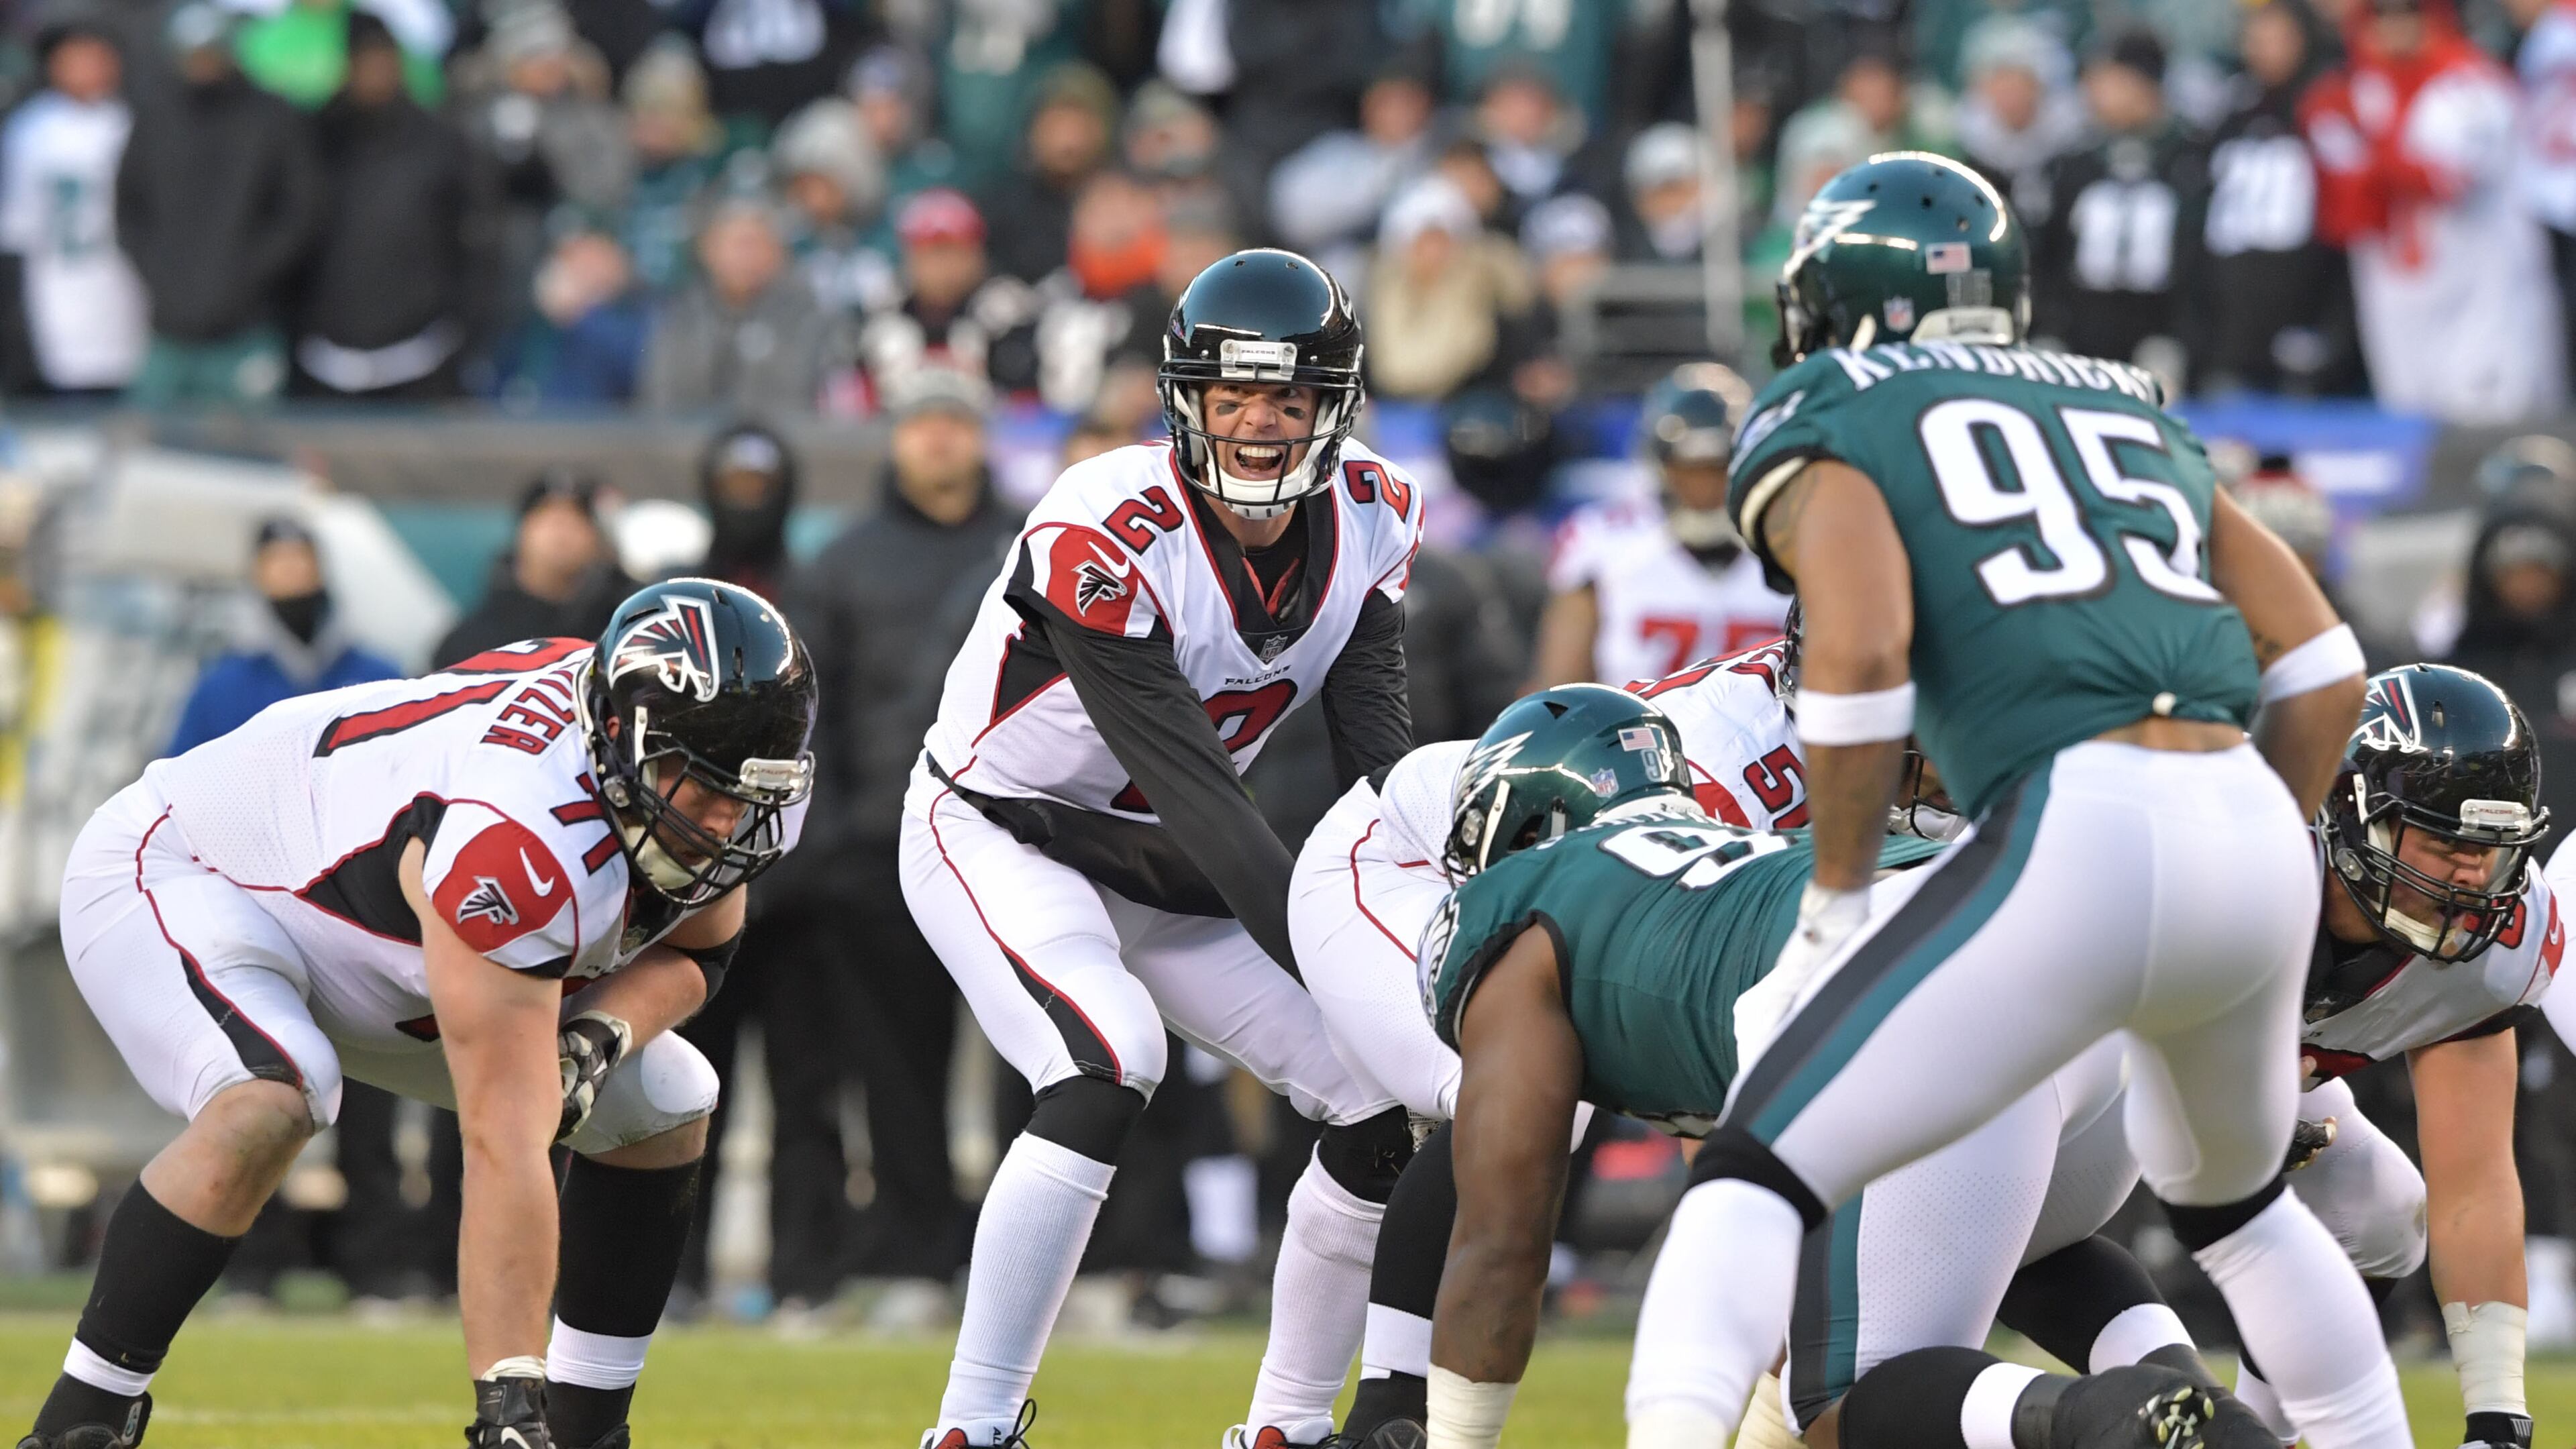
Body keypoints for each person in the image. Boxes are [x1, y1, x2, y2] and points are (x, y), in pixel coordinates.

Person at [1428, 151, 2407, 1448]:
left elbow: (1865, 650)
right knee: (2243, 1221)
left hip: (2066, 836)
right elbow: (2327, 661)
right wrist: (2249, 853)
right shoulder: (2119, 399)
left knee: (1752, 1184)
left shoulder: (1834, 407)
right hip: (2242, 829)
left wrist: (1836, 901)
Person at [23, 579, 816, 1449]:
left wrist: (601, 1035)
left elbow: (700, 947)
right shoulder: (517, 836)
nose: (721, 820)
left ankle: (590, 1431)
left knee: (663, 1102)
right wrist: (507, 1398)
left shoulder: (722, 784)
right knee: (276, 1096)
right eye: (696, 789)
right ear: (622, 739)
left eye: (743, 795)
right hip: (193, 870)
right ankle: (83, 1420)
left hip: (378, 933)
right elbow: (503, 1141)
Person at [1397, 687, 2266, 1449]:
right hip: (2101, 992)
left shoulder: (1522, 916)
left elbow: (1502, 1242)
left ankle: (2107, 1418)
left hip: (1933, 992)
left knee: (1850, 1407)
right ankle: (2197, 1406)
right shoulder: (1732, 866)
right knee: (2025, 1247)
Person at [901, 250, 1419, 1449]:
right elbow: (1196, 786)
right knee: (1105, 1058)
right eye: (1234, 395)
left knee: (1380, 1099)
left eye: (1287, 397)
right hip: (1000, 829)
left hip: (1154, 862)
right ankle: (970, 1430)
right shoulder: (1106, 518)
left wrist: (1423, 921)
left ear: (1331, 403)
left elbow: (1378, 758)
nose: (1256, 423)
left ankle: (1285, 1428)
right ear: (1186, 397)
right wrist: (1362, 962)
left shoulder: (1376, 515)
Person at [2216, 664, 2558, 1448]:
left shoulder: (2491, 947)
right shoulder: (2235, 853)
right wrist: (2224, 1098)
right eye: (2444, 841)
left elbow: (2474, 1181)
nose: (2473, 876)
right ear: (2350, 810)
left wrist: (2498, 1417)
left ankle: (2248, 1435)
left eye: (2494, 847)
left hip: (2226, 1087)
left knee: (2380, 1213)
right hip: (2071, 1066)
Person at [786, 367, 1020, 1326]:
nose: (937, 441)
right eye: (921, 423)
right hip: (887, 856)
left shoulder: (1033, 547)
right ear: (895, 439)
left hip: (1020, 850)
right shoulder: (843, 563)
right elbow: (810, 715)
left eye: (954, 424)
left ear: (980, 439)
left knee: (1040, 1068)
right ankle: (918, 1260)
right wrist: (837, 836)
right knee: (897, 1069)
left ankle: (1031, 1268)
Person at [2304, 0, 2565, 423]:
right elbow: (2344, 217)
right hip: (2398, 301)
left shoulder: (2474, 84)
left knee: (2494, 431)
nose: (2393, 26)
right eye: (2380, 15)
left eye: (2406, 12)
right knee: (2410, 443)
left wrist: (2366, 144)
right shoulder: (2357, 90)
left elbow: (2448, 180)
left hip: (2483, 302)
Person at [1531, 364, 1789, 690]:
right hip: (1636, 736)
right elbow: (1559, 688)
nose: (1704, 487)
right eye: (1689, 469)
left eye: (1717, 468)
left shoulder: (1789, 543)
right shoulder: (1605, 543)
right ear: (1661, 466)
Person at [116, 3, 321, 408]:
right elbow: (129, 210)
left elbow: (300, 212)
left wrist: (248, 277)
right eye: (192, 54)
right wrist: (164, 278)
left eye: (211, 52)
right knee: (149, 453)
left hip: (247, 328)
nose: (202, 64)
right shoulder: (156, 117)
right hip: (170, 329)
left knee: (250, 458)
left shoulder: (271, 117)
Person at [291, 13, 494, 400]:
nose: (377, 73)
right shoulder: (315, 141)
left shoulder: (442, 144)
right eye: (365, 62)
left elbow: (478, 243)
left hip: (419, 360)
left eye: (385, 60)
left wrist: (462, 334)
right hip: (325, 363)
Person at [2198, 0, 2357, 395]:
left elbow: (2346, 227)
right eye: (2255, 39)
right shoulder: (2232, 111)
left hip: (2308, 309)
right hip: (2236, 317)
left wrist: (2334, 328)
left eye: (2277, 38)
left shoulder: (2327, 106)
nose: (2264, 50)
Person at [2031, 30, 2203, 374]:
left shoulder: (2190, 158)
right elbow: (2048, 255)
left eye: (2107, 79)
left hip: (2160, 334)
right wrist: (2050, 328)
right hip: (2080, 335)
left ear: (2142, 83)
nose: (2092, 91)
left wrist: (2188, 339)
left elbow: (2200, 264)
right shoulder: (2073, 161)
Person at [0, 14, 146, 396]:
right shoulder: (30, 130)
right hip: (56, 289)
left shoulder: (133, 123)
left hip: (124, 286)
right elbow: (18, 230)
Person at [167, 518, 402, 755]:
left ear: (321, 570)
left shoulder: (377, 679)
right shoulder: (220, 689)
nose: (291, 569)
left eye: (301, 557)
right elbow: (175, 778)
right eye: (277, 560)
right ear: (257, 575)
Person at [845, 189, 1038, 414]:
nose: (943, 267)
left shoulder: (1009, 314)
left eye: (955, 250)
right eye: (932, 252)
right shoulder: (877, 315)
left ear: (978, 255)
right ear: (909, 257)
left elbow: (1029, 407)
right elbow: (854, 408)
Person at [640, 193, 830, 415]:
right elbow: (660, 400)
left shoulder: (810, 320)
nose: (748, 257)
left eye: (758, 244)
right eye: (739, 244)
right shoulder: (680, 318)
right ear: (708, 250)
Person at [433, 470, 637, 669]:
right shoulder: (471, 639)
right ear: (522, 530)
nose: (561, 529)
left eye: (577, 518)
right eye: (547, 516)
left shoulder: (626, 626)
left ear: (596, 539)